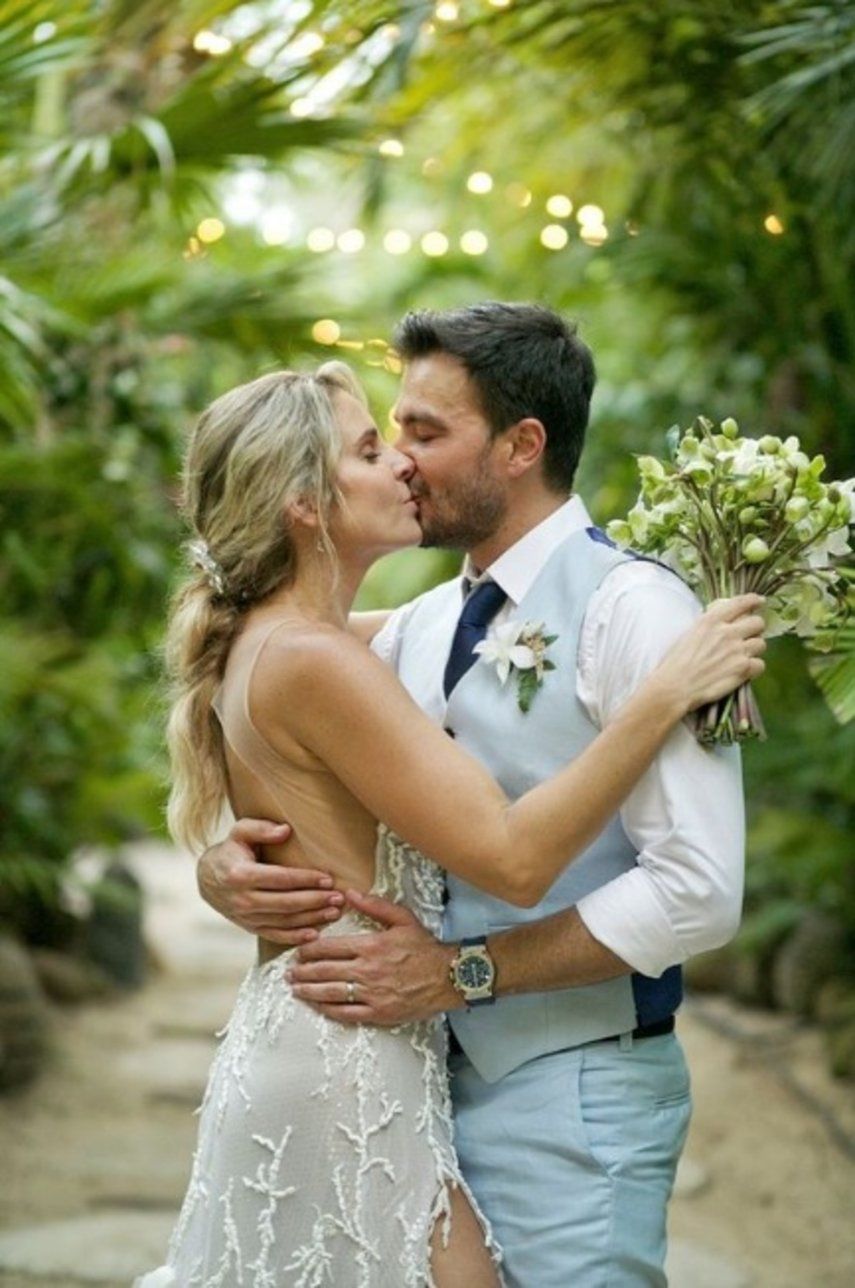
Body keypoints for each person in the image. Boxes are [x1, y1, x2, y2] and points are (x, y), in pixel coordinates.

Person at [196, 303, 762, 1286]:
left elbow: (699, 891)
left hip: (572, 1091)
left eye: (423, 433)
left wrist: (466, 973)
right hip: (409, 1078)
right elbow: (272, 695)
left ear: (520, 446)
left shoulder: (639, 610)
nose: (402, 462)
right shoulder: (420, 624)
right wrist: (226, 855)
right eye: (384, 439)